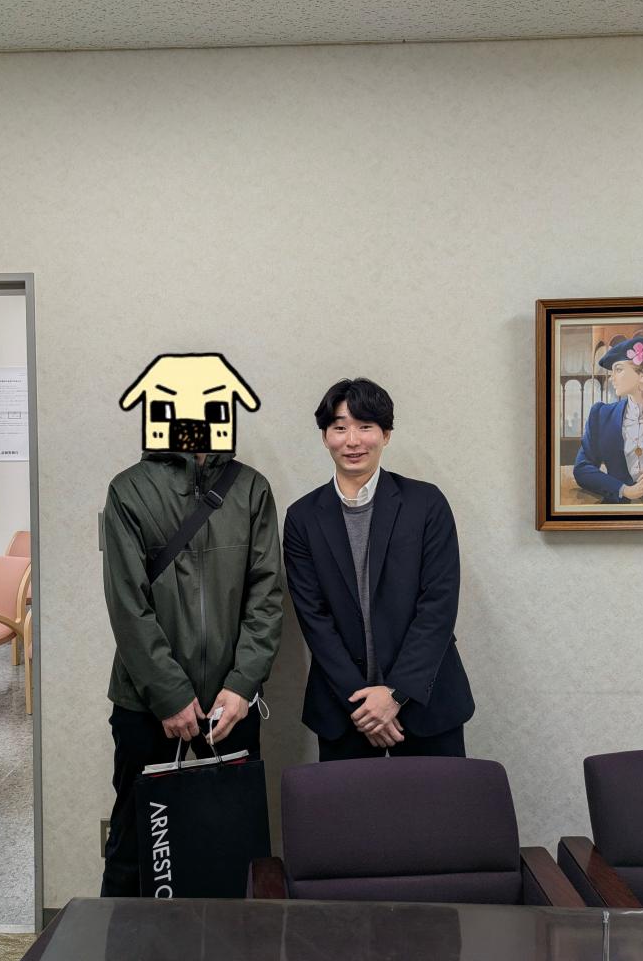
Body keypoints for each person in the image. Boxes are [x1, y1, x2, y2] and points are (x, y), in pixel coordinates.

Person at [100, 449, 283, 896]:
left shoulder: (251, 488)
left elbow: (267, 594)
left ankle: (235, 936)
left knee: (236, 844)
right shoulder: (128, 489)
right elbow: (127, 605)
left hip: (230, 707)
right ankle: (124, 935)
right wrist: (169, 695)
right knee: (135, 844)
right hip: (145, 704)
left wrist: (242, 684)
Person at [283, 377, 474, 762]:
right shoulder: (302, 517)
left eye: (365, 426)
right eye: (340, 428)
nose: (352, 440)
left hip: (425, 703)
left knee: (438, 803)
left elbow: (438, 605)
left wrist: (395, 694)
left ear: (386, 434)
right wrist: (364, 705)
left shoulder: (426, 503)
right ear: (325, 437)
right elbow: (313, 618)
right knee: (350, 806)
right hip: (344, 709)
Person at [574, 337, 643, 503]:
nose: (611, 377)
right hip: (618, 510)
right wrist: (625, 490)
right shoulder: (601, 415)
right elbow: (582, 468)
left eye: (618, 369)